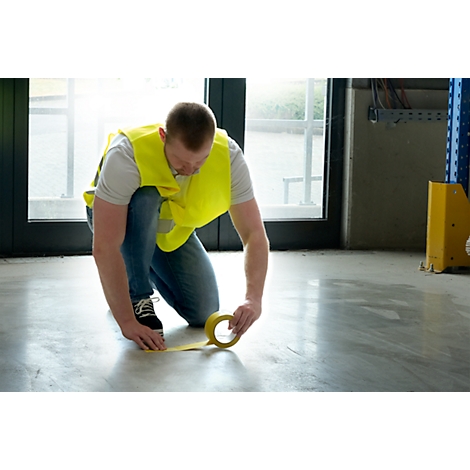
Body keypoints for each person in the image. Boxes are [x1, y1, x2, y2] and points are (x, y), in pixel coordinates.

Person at [84, 102, 269, 351]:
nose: (191, 170)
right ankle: (136, 293)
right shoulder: (127, 154)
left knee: (203, 311)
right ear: (163, 137)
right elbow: (106, 247)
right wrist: (126, 320)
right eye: (182, 161)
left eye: (200, 160)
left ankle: (135, 265)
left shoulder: (229, 156)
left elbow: (254, 233)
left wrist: (253, 298)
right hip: (119, 221)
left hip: (168, 229)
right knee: (146, 196)